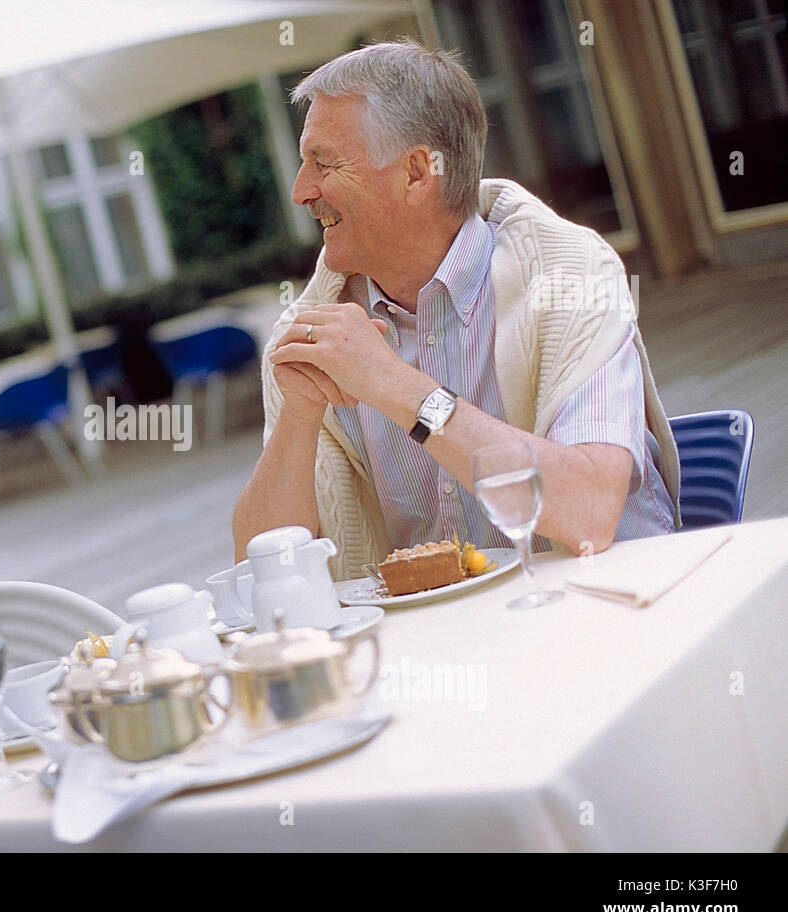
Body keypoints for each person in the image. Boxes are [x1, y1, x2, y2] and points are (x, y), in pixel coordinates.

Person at [232, 40, 681, 580]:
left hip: (616, 607)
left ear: (418, 171)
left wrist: (397, 386)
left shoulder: (569, 275)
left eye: (323, 163)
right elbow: (264, 572)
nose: (302, 191)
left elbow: (589, 514)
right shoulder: (312, 332)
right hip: (445, 645)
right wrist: (299, 418)